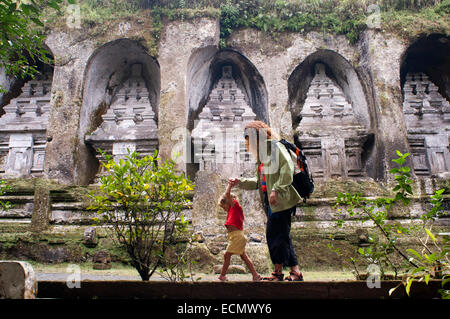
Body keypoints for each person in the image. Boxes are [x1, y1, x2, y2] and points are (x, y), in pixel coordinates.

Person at [230, 120, 304, 281]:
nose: (247, 141)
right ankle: (296, 272)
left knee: (273, 235)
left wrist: (276, 189)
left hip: (282, 200)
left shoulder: (276, 147)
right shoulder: (263, 155)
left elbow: (288, 169)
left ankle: (277, 273)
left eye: (248, 137)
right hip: (272, 202)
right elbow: (259, 182)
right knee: (283, 235)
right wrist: (240, 182)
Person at [217, 179, 262, 282]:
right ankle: (255, 275)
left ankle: (222, 276)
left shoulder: (235, 206)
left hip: (237, 236)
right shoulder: (231, 210)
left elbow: (227, 194)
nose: (224, 209)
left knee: (226, 255)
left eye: (224, 207)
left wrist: (229, 185)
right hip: (235, 236)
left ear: (229, 202)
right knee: (244, 257)